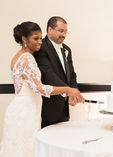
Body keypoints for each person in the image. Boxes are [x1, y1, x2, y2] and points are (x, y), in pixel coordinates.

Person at [0, 22, 84, 157]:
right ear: (24, 39)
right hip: (26, 111)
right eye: (35, 38)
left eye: (40, 38)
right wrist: (68, 90)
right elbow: (40, 89)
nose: (40, 42)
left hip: (22, 108)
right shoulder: (27, 58)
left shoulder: (18, 56)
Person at [33, 16, 82, 128]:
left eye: (66, 32)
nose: (64, 35)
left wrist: (73, 92)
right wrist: (68, 90)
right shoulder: (41, 47)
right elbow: (47, 74)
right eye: (61, 31)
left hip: (65, 108)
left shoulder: (67, 49)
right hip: (48, 107)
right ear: (50, 30)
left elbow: (72, 74)